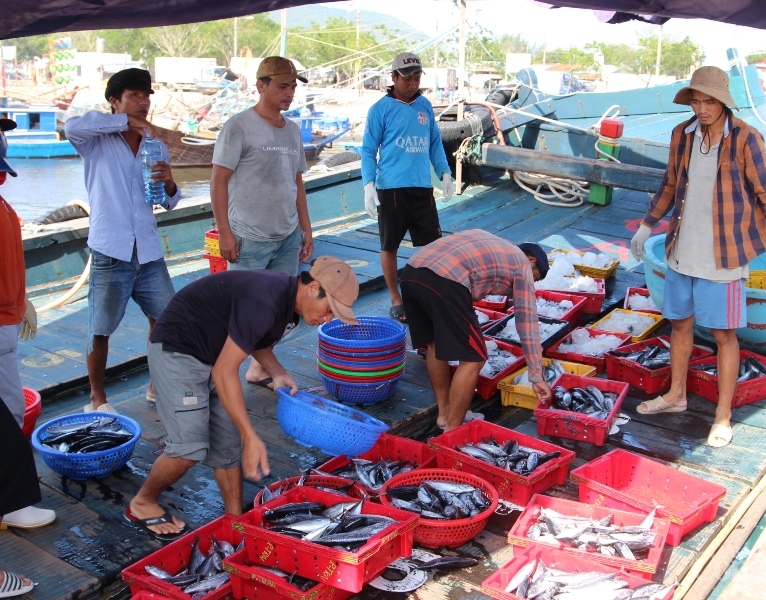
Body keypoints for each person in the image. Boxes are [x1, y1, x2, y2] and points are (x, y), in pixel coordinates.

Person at [126, 257, 359, 539]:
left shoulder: (287, 300)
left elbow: (254, 339)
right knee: (189, 447)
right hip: (178, 350)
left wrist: (277, 372)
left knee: (227, 444)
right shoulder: (265, 300)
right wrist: (251, 436)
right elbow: (227, 371)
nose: (328, 319)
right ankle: (142, 502)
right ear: (314, 288)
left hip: (213, 353)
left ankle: (236, 521)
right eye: (330, 310)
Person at [629, 66, 766, 449]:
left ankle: (723, 415)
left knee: (724, 334)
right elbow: (670, 183)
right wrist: (646, 224)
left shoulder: (746, 139)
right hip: (681, 250)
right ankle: (676, 395)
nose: (702, 108)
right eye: (696, 100)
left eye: (709, 101)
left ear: (723, 102)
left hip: (725, 253)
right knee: (680, 324)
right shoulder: (682, 135)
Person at [65, 68, 181, 412]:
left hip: (147, 252)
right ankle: (97, 399)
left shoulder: (155, 144)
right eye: (133, 96)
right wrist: (123, 122)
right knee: (100, 329)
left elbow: (167, 200)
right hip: (110, 250)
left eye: (146, 96)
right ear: (114, 102)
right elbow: (72, 125)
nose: (142, 102)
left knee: (167, 321)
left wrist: (171, 182)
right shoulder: (94, 141)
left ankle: (156, 385)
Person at [211, 56, 312, 388]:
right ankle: (219, 374)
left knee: (279, 310)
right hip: (249, 238)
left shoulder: (293, 130)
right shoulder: (238, 125)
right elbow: (219, 181)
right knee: (246, 311)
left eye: (293, 86)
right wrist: (225, 232)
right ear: (261, 85)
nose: (289, 93)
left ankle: (258, 367)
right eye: (283, 86)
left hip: (286, 235)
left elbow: (296, 183)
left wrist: (306, 229)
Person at [399, 230, 552, 431]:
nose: (531, 283)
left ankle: (445, 415)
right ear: (531, 259)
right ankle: (452, 431)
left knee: (436, 342)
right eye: (535, 277)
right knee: (475, 357)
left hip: (411, 272)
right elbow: (527, 322)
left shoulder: (498, 244)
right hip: (445, 279)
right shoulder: (522, 265)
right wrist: (536, 375)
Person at [0, 119, 56, 595]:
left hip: (7, 314)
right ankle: (10, 501)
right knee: (6, 417)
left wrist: (23, 299)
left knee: (10, 412)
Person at [361, 52, 453, 323]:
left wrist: (444, 173)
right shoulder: (380, 109)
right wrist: (369, 184)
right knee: (389, 245)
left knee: (432, 246)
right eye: (406, 79)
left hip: (422, 187)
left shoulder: (425, 105)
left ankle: (430, 293)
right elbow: (368, 150)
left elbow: (434, 143)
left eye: (416, 78)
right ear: (393, 77)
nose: (412, 84)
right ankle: (395, 297)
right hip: (391, 188)